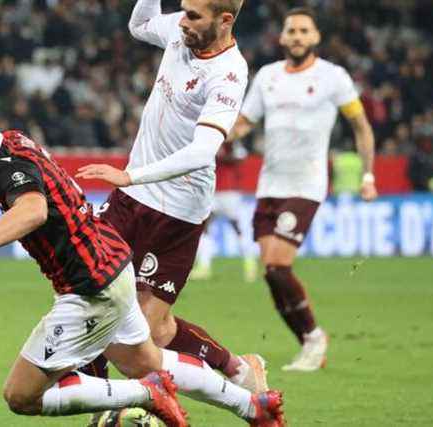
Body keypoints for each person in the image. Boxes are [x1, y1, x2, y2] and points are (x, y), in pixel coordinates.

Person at [0, 93, 284, 427]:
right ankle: (255, 406)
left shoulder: (11, 166)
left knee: (22, 396)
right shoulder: (8, 146)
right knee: (149, 359)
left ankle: (146, 396)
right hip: (113, 266)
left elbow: (32, 210)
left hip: (89, 289)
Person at [76, 0, 268, 392]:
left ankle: (236, 368)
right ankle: (104, 406)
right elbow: (140, 24)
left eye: (193, 15)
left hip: (178, 210)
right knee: (88, 294)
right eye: (182, 10)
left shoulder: (229, 73)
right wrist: (132, 182)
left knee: (151, 333)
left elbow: (201, 152)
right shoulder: (182, 34)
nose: (181, 21)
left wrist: (130, 175)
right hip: (131, 201)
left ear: (225, 20)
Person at [225, 7, 378, 371]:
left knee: (279, 265)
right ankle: (309, 342)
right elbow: (245, 122)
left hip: (305, 184)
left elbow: (361, 126)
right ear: (281, 37)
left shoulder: (333, 77)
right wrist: (214, 136)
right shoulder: (267, 76)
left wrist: (368, 176)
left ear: (315, 38)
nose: (296, 36)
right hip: (269, 184)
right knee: (270, 272)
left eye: (303, 31)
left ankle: (313, 338)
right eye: (290, 30)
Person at [189, 140, 257, 282]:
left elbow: (241, 159)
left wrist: (222, 155)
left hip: (229, 193)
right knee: (205, 228)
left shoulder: (232, 144)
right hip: (212, 192)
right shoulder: (211, 139)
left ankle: (250, 264)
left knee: (237, 228)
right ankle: (204, 267)